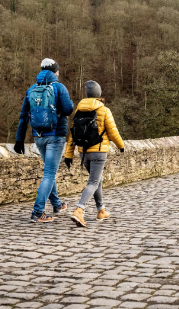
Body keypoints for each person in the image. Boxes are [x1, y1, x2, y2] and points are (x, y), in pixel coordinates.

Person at [14, 58, 75, 223]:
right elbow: (68, 109)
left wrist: (19, 139)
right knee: (49, 173)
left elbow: (23, 116)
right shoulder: (59, 87)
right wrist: (70, 103)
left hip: (38, 136)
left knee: (49, 171)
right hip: (56, 136)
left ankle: (57, 204)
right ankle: (37, 212)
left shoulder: (32, 89)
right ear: (56, 72)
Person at [64, 80, 125, 227]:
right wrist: (121, 146)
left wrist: (69, 154)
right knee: (93, 182)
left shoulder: (78, 110)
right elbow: (113, 131)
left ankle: (101, 210)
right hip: (99, 152)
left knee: (97, 180)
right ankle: (79, 209)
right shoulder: (104, 110)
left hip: (83, 152)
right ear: (99, 94)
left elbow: (72, 135)